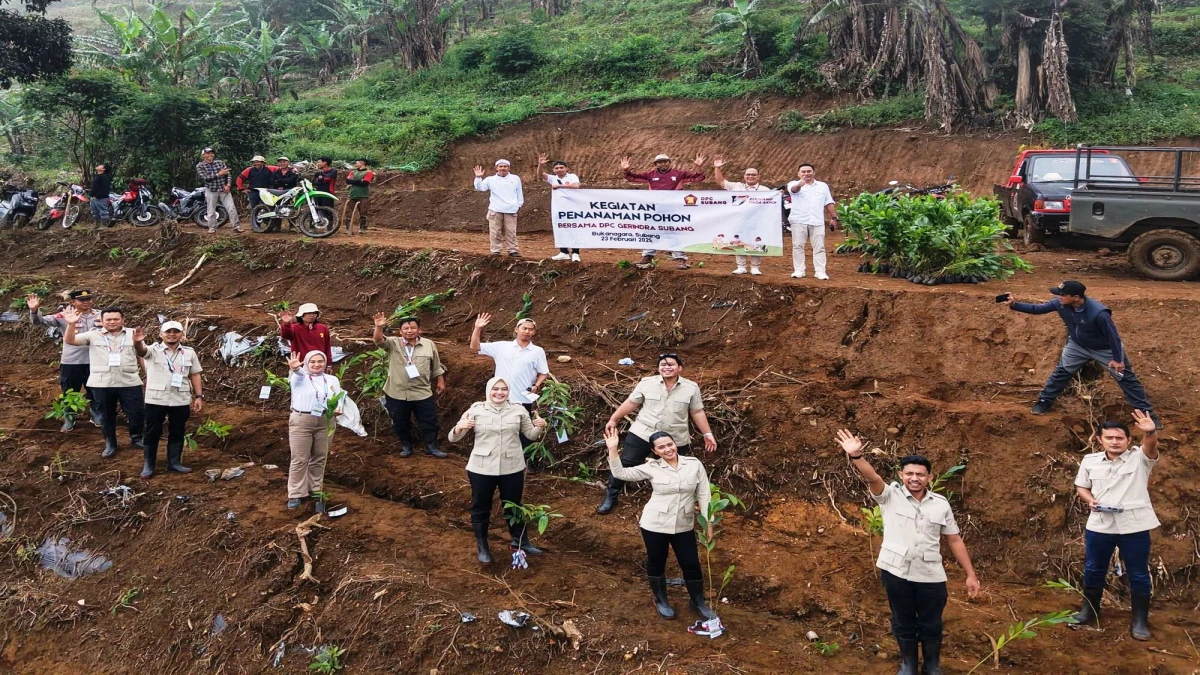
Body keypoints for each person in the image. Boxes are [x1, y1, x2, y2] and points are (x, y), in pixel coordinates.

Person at [835, 429, 980, 675]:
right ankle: (908, 665)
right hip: (896, 572)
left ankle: (932, 666)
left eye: (920, 474)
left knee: (931, 622)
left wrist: (970, 575)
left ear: (929, 477)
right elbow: (873, 478)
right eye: (910, 473)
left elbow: (954, 539)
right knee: (903, 620)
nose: (915, 478)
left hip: (931, 574)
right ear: (901, 475)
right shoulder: (889, 495)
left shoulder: (940, 504)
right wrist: (857, 456)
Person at [1005, 280, 1160, 426]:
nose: (1059, 297)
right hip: (1077, 346)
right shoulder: (1061, 304)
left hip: (1104, 349)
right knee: (1061, 373)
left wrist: (1118, 360)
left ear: (1076, 298)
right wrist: (1014, 304)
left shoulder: (1099, 313)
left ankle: (1148, 416)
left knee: (1126, 379)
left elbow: (1113, 337)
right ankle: (1044, 402)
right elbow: (1037, 309)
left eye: (1063, 294)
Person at [604, 426, 716, 621]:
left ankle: (697, 600)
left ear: (676, 444)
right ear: (655, 452)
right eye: (661, 447)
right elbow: (622, 474)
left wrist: (708, 523)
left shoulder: (694, 464)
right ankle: (660, 598)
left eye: (670, 444)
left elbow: (704, 495)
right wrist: (613, 449)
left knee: (691, 563)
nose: (668, 449)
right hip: (654, 524)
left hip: (684, 523)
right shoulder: (652, 467)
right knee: (657, 560)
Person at [1070, 412, 1160, 640]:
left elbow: (1150, 446)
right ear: (1100, 439)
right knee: (1093, 569)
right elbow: (1082, 486)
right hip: (1100, 525)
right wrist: (1090, 500)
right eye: (1109, 437)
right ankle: (1089, 610)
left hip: (1134, 525)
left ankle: (1140, 620)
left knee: (1138, 573)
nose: (1115, 441)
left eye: (1120, 437)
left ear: (1129, 440)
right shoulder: (1090, 461)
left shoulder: (1139, 458)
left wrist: (1150, 432)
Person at [596, 353, 717, 514]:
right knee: (626, 463)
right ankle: (611, 497)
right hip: (643, 432)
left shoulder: (691, 388)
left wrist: (707, 434)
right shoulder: (647, 383)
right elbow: (631, 403)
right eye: (663, 365)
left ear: (679, 368)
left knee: (675, 470)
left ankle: (676, 504)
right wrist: (614, 419)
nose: (667, 367)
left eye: (671, 364)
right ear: (658, 368)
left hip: (674, 437)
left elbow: (697, 412)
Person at [448, 377, 547, 563]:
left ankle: (520, 541)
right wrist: (459, 428)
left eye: (504, 389)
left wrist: (539, 427)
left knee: (514, 505)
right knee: (481, 506)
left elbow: (531, 435)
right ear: (488, 390)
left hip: (513, 467)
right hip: (481, 468)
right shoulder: (476, 410)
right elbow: (453, 439)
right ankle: (483, 546)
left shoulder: (518, 410)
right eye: (495, 389)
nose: (499, 393)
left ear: (509, 392)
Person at [62, 306, 146, 458]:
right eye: (108, 319)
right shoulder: (93, 335)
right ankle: (110, 443)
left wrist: (147, 374)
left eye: (116, 319)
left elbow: (142, 354)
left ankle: (136, 438)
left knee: (136, 413)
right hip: (102, 383)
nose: (112, 322)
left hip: (129, 381)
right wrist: (71, 324)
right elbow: (70, 340)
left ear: (123, 320)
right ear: (101, 321)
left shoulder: (133, 334)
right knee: (106, 415)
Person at [372, 312, 447, 458]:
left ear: (419, 330)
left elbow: (436, 365)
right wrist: (378, 327)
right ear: (400, 331)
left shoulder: (429, 344)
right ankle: (406, 446)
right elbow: (378, 340)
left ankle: (431, 447)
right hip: (397, 392)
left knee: (429, 420)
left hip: (422, 392)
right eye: (406, 328)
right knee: (400, 421)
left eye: (413, 327)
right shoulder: (394, 343)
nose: (409, 330)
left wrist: (440, 380)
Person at [134, 321, 202, 478]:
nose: (172, 334)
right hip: (156, 399)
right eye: (168, 331)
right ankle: (149, 465)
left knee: (177, 430)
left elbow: (195, 374)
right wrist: (137, 342)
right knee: (152, 431)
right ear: (161, 334)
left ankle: (175, 463)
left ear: (181, 334)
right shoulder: (153, 350)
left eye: (176, 331)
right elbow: (141, 351)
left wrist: (198, 396)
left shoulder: (189, 352)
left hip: (181, 398)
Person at [28, 289, 103, 431]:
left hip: (95, 360)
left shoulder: (101, 315)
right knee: (69, 390)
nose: (86, 302)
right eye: (82, 300)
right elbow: (40, 322)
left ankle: (96, 414)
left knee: (95, 390)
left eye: (89, 299)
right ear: (73, 302)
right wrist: (34, 310)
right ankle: (69, 416)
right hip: (72, 361)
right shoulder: (64, 316)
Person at [469, 313, 549, 441]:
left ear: (534, 332)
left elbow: (544, 372)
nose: (527, 331)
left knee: (522, 433)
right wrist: (477, 328)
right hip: (500, 398)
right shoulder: (501, 347)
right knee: (497, 431)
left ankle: (521, 459)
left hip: (523, 400)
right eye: (524, 328)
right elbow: (475, 347)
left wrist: (537, 385)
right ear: (516, 329)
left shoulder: (537, 351)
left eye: (530, 329)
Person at [622, 153, 707, 270]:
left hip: (674, 210)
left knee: (675, 232)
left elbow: (699, 177)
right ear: (656, 164)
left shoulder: (679, 174)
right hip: (655, 209)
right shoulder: (650, 175)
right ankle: (647, 256)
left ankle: (680, 259)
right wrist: (626, 170)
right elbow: (632, 177)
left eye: (665, 161)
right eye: (660, 162)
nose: (663, 164)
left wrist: (699, 167)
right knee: (650, 231)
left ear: (669, 162)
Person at [286, 350, 343, 513]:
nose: (317, 364)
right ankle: (296, 493)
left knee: (319, 457)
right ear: (306, 363)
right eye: (312, 361)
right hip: (302, 420)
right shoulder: (300, 377)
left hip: (325, 420)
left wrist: (339, 408)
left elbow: (338, 397)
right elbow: (297, 374)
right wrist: (295, 368)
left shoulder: (331, 379)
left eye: (320, 361)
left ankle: (315, 491)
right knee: (299, 458)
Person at [714, 156, 772, 275]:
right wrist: (717, 168)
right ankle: (741, 266)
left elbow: (771, 204)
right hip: (739, 220)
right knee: (739, 241)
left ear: (758, 177)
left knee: (756, 242)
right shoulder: (736, 187)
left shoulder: (765, 190)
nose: (750, 176)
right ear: (744, 176)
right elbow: (720, 182)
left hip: (758, 221)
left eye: (753, 175)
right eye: (748, 174)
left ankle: (755, 267)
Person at [786, 163, 837, 280]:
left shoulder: (822, 186)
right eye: (803, 172)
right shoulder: (793, 184)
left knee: (819, 246)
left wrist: (834, 217)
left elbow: (828, 202)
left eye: (809, 171)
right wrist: (800, 184)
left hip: (817, 220)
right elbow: (794, 190)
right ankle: (799, 270)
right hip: (798, 220)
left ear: (814, 173)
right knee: (798, 245)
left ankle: (820, 271)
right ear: (798, 174)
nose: (806, 174)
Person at [473, 159, 525, 256]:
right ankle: (495, 250)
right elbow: (480, 188)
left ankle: (513, 250)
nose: (503, 168)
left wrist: (519, 205)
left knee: (511, 231)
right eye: (500, 166)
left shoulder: (515, 178)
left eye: (505, 166)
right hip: (495, 209)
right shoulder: (490, 179)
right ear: (496, 168)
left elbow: (519, 192)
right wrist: (478, 177)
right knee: (495, 231)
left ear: (508, 168)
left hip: (511, 209)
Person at [538, 153, 582, 262]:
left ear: (566, 168)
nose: (559, 169)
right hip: (558, 208)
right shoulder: (552, 178)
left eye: (561, 167)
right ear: (553, 170)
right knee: (560, 229)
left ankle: (576, 253)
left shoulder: (572, 176)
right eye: (556, 168)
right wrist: (540, 164)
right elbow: (540, 175)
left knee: (573, 229)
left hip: (572, 208)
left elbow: (576, 186)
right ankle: (564, 252)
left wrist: (560, 186)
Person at [195, 147, 243, 234]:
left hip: (223, 189)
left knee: (231, 208)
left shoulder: (220, 162)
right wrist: (219, 174)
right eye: (208, 153)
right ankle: (212, 227)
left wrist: (228, 185)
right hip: (211, 189)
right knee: (211, 210)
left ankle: (236, 227)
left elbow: (228, 174)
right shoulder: (200, 165)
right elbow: (205, 178)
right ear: (203, 155)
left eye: (211, 153)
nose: (210, 155)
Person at [278, 303, 332, 367]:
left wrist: (328, 364)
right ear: (301, 315)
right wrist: (286, 324)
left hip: (318, 366)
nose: (312, 315)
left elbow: (327, 347)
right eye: (308, 313)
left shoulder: (323, 328)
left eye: (314, 313)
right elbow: (285, 335)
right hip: (299, 366)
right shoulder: (294, 328)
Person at [343, 158, 374, 235]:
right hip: (352, 195)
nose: (355, 164)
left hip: (363, 195)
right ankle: (348, 228)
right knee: (349, 212)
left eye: (357, 163)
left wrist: (354, 182)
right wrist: (359, 181)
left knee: (363, 213)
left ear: (362, 163)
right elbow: (347, 181)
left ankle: (362, 228)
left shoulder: (369, 172)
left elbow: (365, 183)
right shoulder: (353, 172)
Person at [89, 163, 113, 230]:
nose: (98, 165)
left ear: (103, 169)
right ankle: (97, 224)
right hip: (93, 197)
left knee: (103, 211)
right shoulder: (97, 176)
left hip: (101, 197)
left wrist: (97, 196)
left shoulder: (105, 176)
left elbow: (104, 188)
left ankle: (104, 225)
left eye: (101, 165)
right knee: (95, 212)